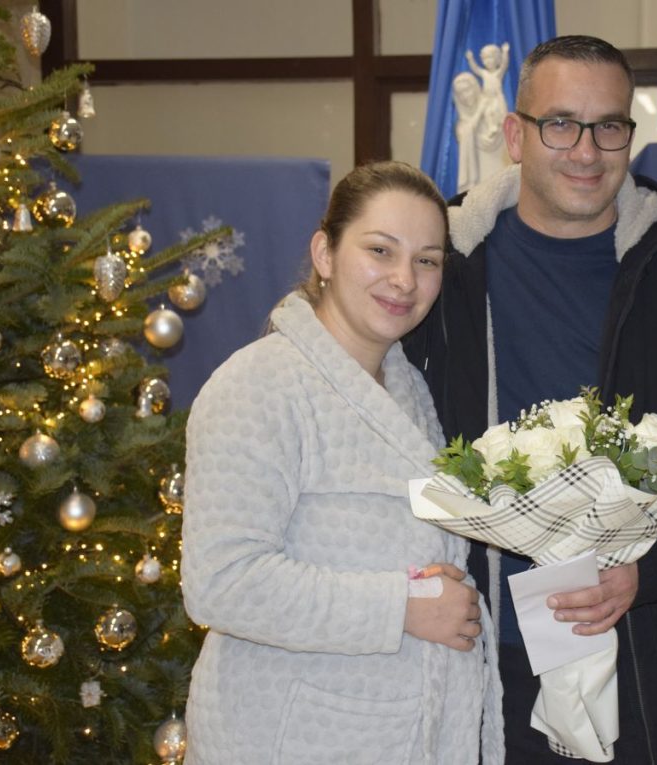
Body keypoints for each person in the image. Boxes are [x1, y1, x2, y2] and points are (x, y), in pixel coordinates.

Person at [404, 36, 657, 764]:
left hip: (656, 668)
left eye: (609, 126)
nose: (587, 151)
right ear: (515, 135)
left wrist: (649, 571)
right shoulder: (439, 271)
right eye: (561, 123)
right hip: (479, 669)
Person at [181, 161, 504, 764]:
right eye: (380, 250)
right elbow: (221, 583)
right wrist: (402, 607)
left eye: (427, 260)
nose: (404, 279)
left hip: (396, 736)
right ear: (324, 254)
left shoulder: (409, 389)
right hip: (288, 738)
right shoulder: (259, 385)